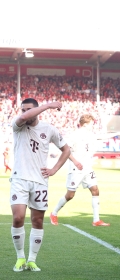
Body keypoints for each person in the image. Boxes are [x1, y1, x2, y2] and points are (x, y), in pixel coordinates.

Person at [10, 98, 71, 272]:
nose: (25, 113)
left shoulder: (49, 129)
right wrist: (48, 105)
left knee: (37, 220)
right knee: (18, 217)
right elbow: (24, 118)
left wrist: (54, 169)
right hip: (20, 179)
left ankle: (31, 260)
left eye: (28, 109)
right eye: (23, 109)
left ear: (36, 110)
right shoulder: (18, 125)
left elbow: (66, 150)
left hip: (40, 181)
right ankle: (20, 257)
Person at [50, 114, 120, 226]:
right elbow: (66, 151)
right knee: (70, 195)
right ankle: (54, 213)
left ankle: (96, 220)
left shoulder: (90, 135)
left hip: (87, 168)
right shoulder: (74, 135)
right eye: (91, 124)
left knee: (95, 190)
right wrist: (75, 161)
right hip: (76, 168)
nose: (93, 126)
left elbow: (103, 136)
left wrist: (119, 133)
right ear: (85, 124)